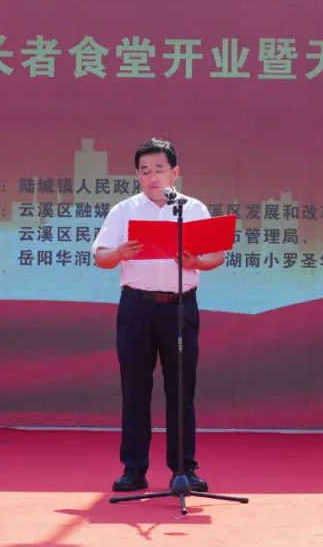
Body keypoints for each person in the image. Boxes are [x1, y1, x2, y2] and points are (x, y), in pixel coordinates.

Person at [92, 138, 224, 492]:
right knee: (135, 389)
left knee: (181, 389)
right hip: (137, 307)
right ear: (137, 174)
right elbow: (101, 257)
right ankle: (134, 469)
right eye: (145, 170)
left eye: (159, 169)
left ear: (175, 172)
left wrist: (197, 262)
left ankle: (184, 469)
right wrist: (119, 253)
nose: (152, 177)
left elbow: (216, 256)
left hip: (180, 307)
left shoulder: (193, 209)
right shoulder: (124, 211)